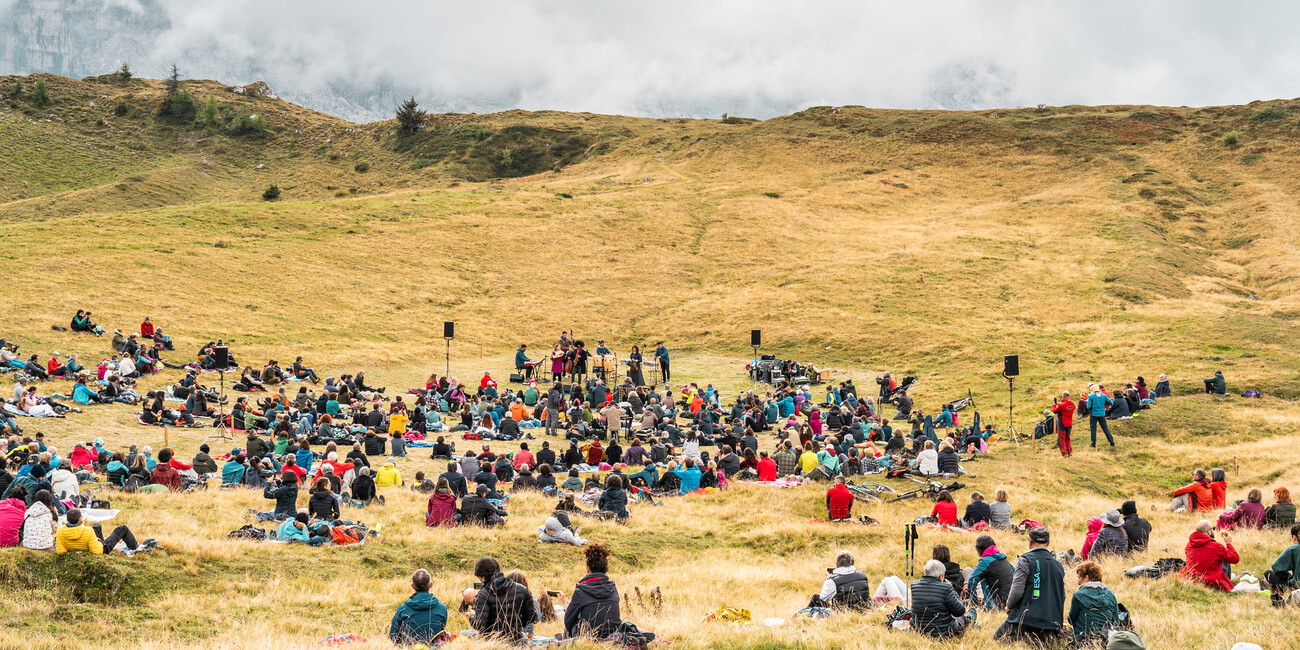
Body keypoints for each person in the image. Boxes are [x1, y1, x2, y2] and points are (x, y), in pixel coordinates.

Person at [995, 526, 1065, 645]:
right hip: (1051, 621)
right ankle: (1044, 639)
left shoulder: (1025, 560)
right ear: (1048, 542)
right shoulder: (1058, 565)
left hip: (1027, 619)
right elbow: (1062, 596)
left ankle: (1030, 641)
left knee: (999, 637)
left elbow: (1017, 591)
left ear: (1029, 541)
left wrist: (1009, 606)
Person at [466, 556, 536, 643]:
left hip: (492, 642)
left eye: (479, 578)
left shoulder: (483, 594)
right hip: (517, 641)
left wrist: (471, 616)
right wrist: (516, 626)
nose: (481, 581)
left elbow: (480, 625)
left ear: (483, 577)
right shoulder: (521, 589)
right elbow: (532, 616)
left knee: (463, 634)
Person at [564, 543, 622, 638]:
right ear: (606, 568)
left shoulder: (581, 590)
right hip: (612, 636)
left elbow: (568, 621)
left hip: (588, 638)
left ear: (587, 569)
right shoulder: (612, 588)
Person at [911, 559, 974, 637]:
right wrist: (953, 590)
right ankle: (971, 618)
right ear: (941, 576)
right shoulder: (946, 588)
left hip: (920, 631)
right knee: (961, 617)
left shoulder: (914, 585)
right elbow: (960, 611)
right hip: (944, 632)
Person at [1067, 561, 1119, 646]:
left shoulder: (1078, 595)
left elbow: (1071, 620)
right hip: (1106, 642)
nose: (1078, 582)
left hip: (1083, 642)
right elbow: (1116, 621)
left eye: (1079, 577)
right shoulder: (1110, 594)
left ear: (1086, 577)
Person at [390, 569, 447, 646]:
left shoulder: (402, 609)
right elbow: (441, 632)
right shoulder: (442, 608)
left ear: (412, 586)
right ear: (430, 585)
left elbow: (393, 636)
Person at [56, 508, 144, 555]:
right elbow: (97, 552)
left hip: (77, 547)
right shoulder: (88, 531)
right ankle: (135, 548)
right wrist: (98, 541)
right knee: (122, 529)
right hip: (100, 549)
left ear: (67, 520)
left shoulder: (60, 530)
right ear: (79, 519)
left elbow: (60, 551)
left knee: (96, 526)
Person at [1182, 520, 1238, 591]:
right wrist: (1228, 543)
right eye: (1213, 529)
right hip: (1211, 581)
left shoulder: (1189, 545)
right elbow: (1235, 558)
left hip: (1193, 579)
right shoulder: (1216, 546)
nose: (1213, 531)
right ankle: (1228, 578)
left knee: (1220, 555)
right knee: (1224, 556)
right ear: (1209, 531)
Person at [967, 535, 1014, 609]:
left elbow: (971, 581)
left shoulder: (985, 562)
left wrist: (974, 602)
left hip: (998, 604)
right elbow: (1015, 572)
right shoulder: (1003, 558)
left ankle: (989, 605)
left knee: (982, 577)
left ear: (979, 550)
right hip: (1011, 601)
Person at [1265, 524, 1300, 605]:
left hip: (1296, 586)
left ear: (1294, 537)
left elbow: (1276, 568)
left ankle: (1279, 589)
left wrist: (1289, 577)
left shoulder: (1293, 549)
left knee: (1268, 573)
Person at [1051, 391, 1075, 457]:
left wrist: (1054, 405)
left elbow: (1054, 411)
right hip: (1069, 423)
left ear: (1063, 396)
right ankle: (1069, 451)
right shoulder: (1072, 404)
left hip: (1062, 423)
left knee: (1062, 438)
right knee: (1068, 438)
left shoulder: (1062, 405)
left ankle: (1064, 452)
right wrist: (1060, 403)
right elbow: (1065, 406)